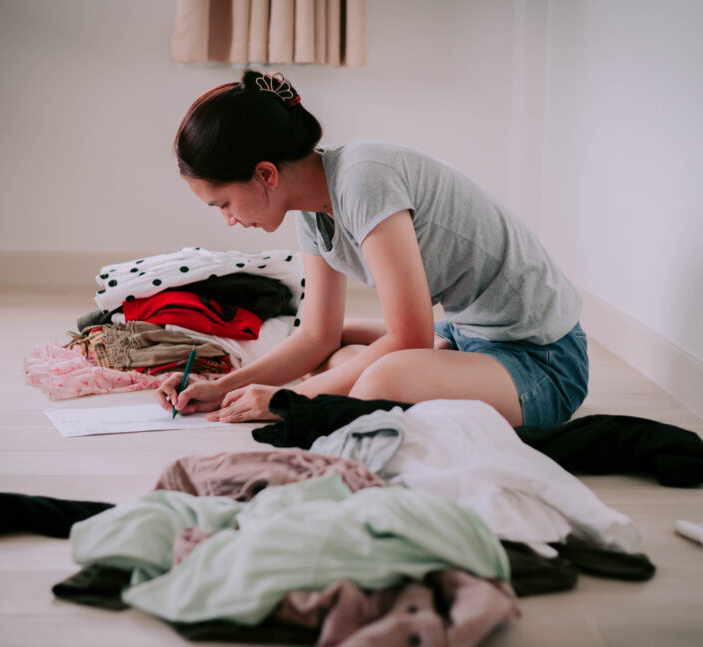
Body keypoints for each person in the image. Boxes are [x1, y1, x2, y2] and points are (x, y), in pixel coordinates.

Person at [154, 70, 588, 428]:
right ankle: (394, 381)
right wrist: (224, 387)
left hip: (541, 357)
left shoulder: (364, 180)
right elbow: (316, 335)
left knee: (378, 378)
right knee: (333, 348)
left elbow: (410, 336)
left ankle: (385, 385)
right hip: (470, 336)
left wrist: (287, 399)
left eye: (224, 203)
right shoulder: (310, 208)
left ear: (266, 174)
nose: (228, 219)